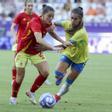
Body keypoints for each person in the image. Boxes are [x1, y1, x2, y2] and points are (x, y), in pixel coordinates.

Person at [9, 3, 70, 105]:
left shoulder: (48, 23)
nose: (50, 19)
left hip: (35, 50)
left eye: (52, 17)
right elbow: (39, 39)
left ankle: (31, 92)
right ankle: (13, 98)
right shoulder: (35, 22)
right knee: (20, 76)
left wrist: (63, 42)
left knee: (45, 72)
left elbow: (52, 33)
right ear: (42, 14)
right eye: (49, 16)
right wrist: (53, 48)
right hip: (23, 50)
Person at [11, 0, 50, 86]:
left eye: (32, 6)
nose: (30, 7)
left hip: (31, 43)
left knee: (39, 58)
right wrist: (15, 36)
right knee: (15, 62)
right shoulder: (20, 15)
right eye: (29, 6)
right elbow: (12, 27)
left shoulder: (35, 16)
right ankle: (14, 79)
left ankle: (42, 76)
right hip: (20, 42)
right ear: (25, 6)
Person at [53, 7, 89, 103]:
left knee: (68, 82)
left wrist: (47, 47)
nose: (72, 21)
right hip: (69, 53)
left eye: (75, 19)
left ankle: (57, 96)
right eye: (71, 18)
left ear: (81, 19)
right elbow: (55, 22)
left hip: (80, 59)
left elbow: (66, 44)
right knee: (57, 74)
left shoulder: (82, 33)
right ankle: (62, 74)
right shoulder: (67, 23)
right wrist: (51, 24)